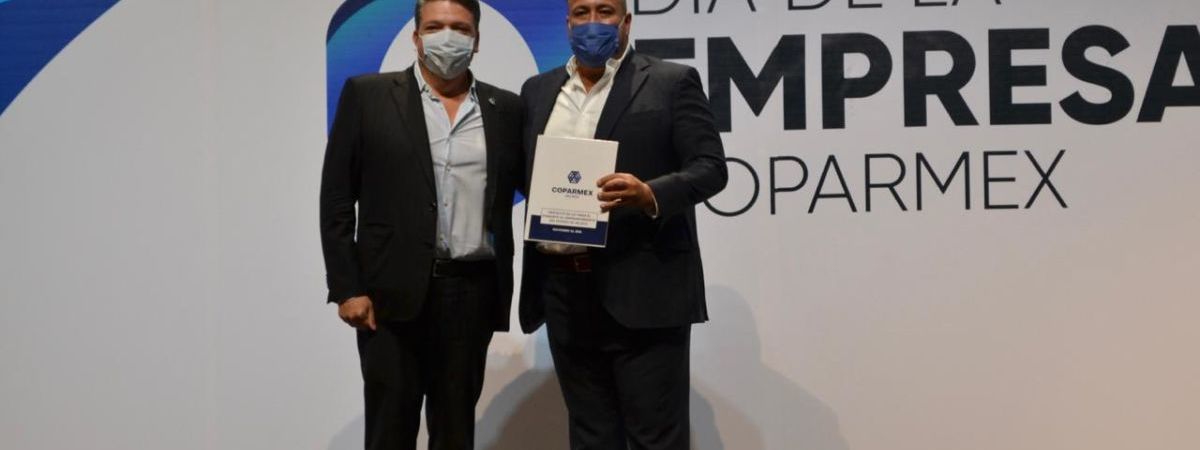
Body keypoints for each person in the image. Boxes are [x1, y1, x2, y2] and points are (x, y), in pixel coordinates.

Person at [516, 0, 728, 448]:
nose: (592, 23)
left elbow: (710, 168)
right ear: (567, 23)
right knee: (590, 437)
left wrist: (649, 194)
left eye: (605, 11)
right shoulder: (537, 90)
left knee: (655, 439)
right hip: (564, 292)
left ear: (626, 21)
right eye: (582, 13)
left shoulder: (670, 82)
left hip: (645, 287)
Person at [318, 1, 522, 449]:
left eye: (460, 28)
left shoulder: (506, 109)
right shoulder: (367, 96)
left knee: (455, 435)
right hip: (389, 298)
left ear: (476, 40)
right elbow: (336, 198)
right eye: (435, 26)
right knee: (389, 433)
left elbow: (538, 188)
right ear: (416, 37)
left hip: (471, 294)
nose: (447, 37)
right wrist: (347, 287)